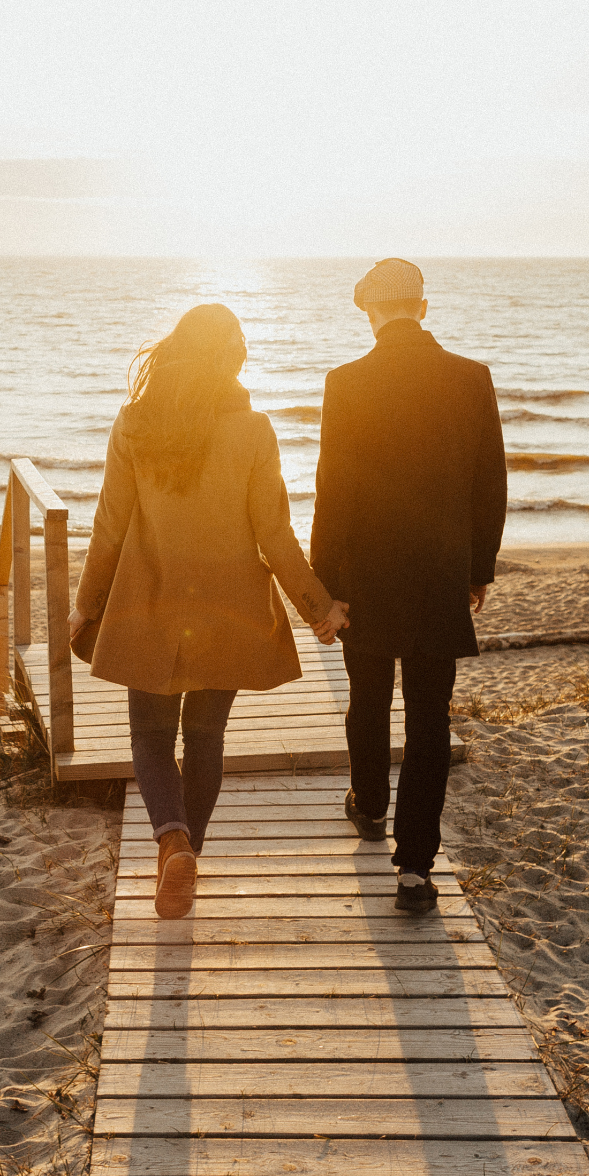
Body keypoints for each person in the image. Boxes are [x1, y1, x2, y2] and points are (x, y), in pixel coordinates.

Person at [68, 303, 348, 920]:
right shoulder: (255, 432)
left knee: (148, 732)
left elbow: (110, 526)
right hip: (231, 607)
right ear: (233, 361)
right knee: (205, 736)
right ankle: (188, 848)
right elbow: (275, 537)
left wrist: (85, 605)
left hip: (150, 601)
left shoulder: (135, 425)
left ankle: (172, 842)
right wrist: (318, 607)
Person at [310, 259, 506, 914]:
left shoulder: (346, 383)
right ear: (423, 308)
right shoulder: (470, 378)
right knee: (428, 721)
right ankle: (415, 870)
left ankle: (368, 804)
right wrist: (478, 569)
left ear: (370, 312)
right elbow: (489, 485)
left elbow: (331, 493)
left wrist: (325, 588)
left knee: (367, 700)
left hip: (365, 579)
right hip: (439, 576)